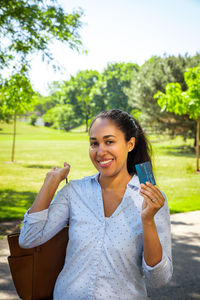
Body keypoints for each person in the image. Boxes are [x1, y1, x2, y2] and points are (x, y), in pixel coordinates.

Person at [19, 109, 173, 299]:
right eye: (94, 143)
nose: (100, 152)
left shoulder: (152, 200)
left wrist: (148, 220)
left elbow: (159, 279)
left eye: (109, 141)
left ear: (130, 144)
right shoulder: (74, 192)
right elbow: (28, 238)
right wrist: (50, 184)